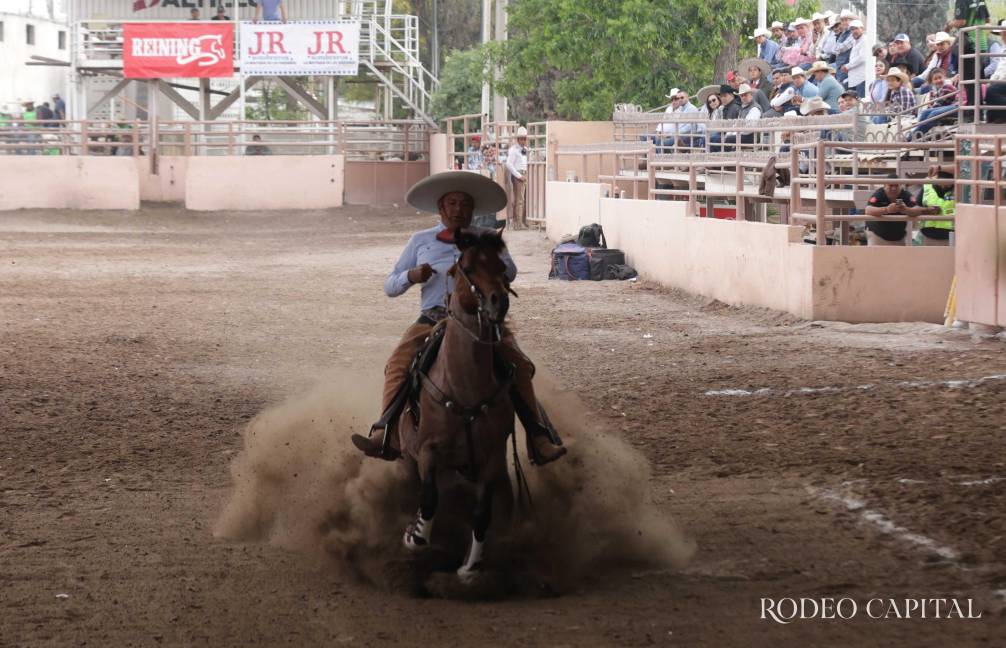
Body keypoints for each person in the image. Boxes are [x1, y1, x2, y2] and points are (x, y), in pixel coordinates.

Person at [351, 172, 566, 466]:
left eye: (465, 204)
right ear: (441, 208)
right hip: (433, 318)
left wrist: (487, 260)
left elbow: (510, 272)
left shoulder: (486, 238)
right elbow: (390, 286)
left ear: (473, 209)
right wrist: (411, 275)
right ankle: (385, 432)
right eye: (452, 203)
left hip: (481, 321)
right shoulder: (420, 240)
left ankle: (539, 437)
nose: (458, 209)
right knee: (398, 364)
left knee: (518, 365)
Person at [864, 177, 940, 245]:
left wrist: (906, 210)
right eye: (891, 185)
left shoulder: (905, 194)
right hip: (877, 235)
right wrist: (887, 209)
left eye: (896, 186)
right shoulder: (879, 194)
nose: (894, 188)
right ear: (885, 186)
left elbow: (916, 209)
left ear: (900, 186)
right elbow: (868, 210)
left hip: (898, 237)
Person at [947, 0, 990, 116]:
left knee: (970, 82)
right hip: (982, 45)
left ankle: (972, 114)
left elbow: (961, 21)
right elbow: (987, 20)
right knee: (976, 81)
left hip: (970, 45)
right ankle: (978, 112)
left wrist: (950, 24)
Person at [910, 68, 958, 138]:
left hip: (950, 109)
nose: (938, 80)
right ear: (932, 81)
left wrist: (930, 109)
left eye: (940, 77)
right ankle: (917, 135)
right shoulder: (934, 91)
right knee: (925, 112)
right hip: (941, 110)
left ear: (944, 77)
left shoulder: (948, 87)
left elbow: (940, 103)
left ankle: (913, 137)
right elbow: (931, 105)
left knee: (931, 114)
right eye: (935, 79)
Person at [917, 166, 955, 246]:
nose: (944, 186)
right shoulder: (927, 186)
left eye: (947, 184)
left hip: (951, 237)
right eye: (942, 183)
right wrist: (927, 210)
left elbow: (962, 168)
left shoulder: (959, 188)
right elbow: (917, 206)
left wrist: (939, 167)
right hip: (928, 235)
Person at [506, 126, 529, 228]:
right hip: (518, 174)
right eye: (521, 139)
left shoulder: (526, 149)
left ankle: (523, 221)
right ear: (518, 139)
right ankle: (518, 223)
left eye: (524, 139)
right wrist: (519, 176)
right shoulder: (513, 150)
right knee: (519, 199)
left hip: (525, 173)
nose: (523, 141)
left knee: (524, 199)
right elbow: (509, 164)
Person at [842, 20, 868, 97]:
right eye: (852, 29)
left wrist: (847, 66)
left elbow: (862, 58)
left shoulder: (865, 40)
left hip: (861, 78)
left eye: (856, 28)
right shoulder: (855, 41)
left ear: (862, 29)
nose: (854, 31)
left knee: (861, 101)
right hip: (855, 78)